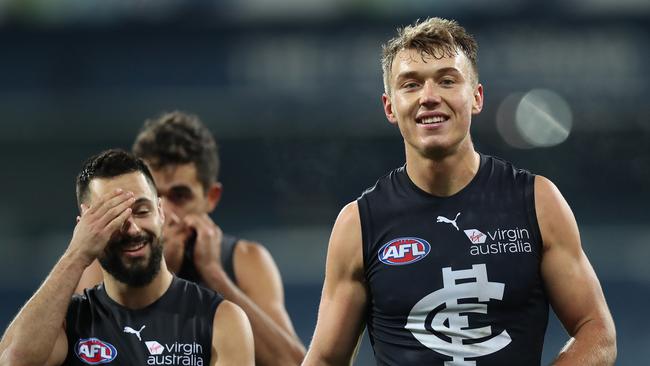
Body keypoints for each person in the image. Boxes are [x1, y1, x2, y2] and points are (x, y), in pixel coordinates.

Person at [302, 17, 616, 365]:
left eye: (447, 80)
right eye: (411, 85)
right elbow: (326, 360)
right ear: (390, 107)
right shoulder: (359, 224)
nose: (429, 97)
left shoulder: (538, 202)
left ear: (477, 98)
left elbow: (596, 331)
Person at [76, 112, 306, 365]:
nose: (166, 213)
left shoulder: (245, 260)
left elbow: (294, 363)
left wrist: (214, 273)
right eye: (154, 197)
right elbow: (85, 346)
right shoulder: (106, 260)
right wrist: (161, 269)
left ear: (211, 197)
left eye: (180, 196)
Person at [0, 149, 254, 365]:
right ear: (85, 228)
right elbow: (14, 361)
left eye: (142, 211)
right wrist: (76, 254)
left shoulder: (221, 320)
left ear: (160, 212)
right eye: (113, 217)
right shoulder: (68, 323)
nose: (132, 229)